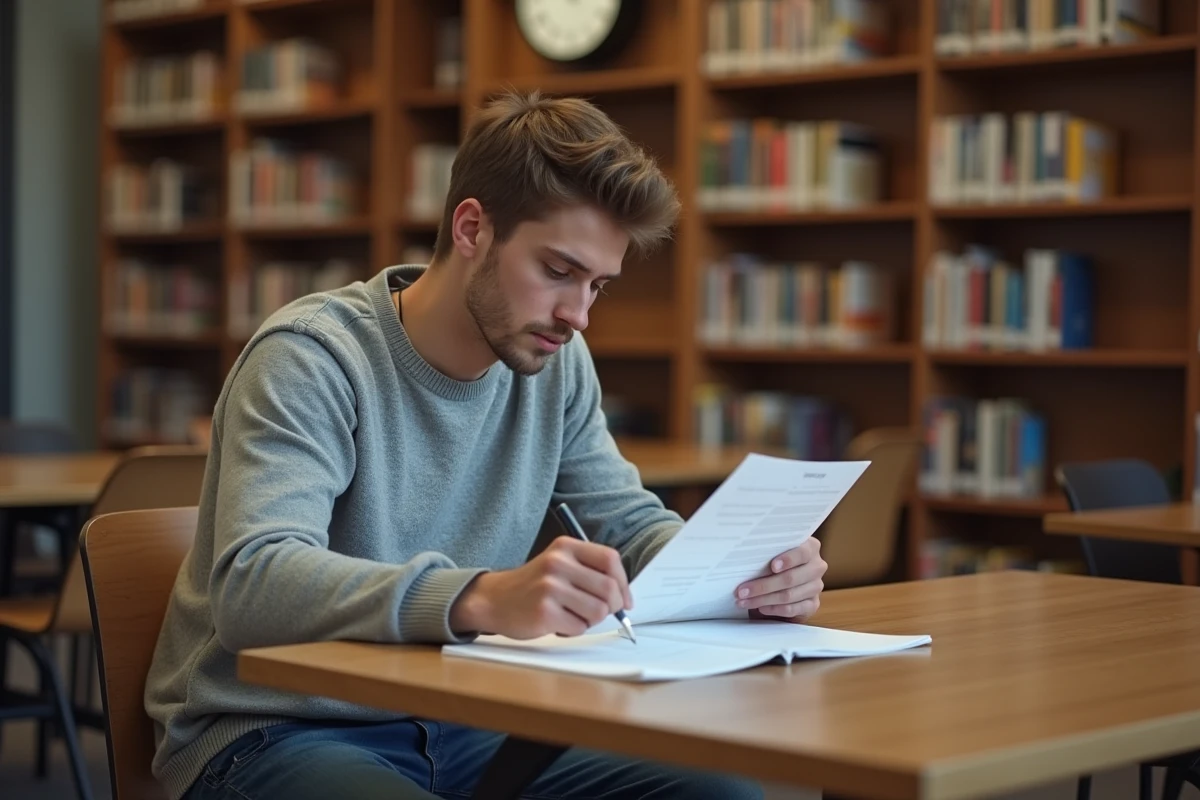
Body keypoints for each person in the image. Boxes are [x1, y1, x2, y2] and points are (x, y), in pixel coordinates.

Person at [144, 89, 827, 800]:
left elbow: (626, 523)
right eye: (558, 272)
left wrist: (742, 575)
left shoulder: (555, 361)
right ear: (472, 228)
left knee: (729, 795)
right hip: (276, 730)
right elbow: (254, 585)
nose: (578, 315)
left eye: (598, 285)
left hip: (466, 712)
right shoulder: (312, 356)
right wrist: (480, 597)